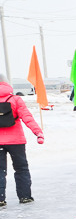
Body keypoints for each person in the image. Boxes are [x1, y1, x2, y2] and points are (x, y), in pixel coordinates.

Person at [0, 73, 45, 206]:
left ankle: (0, 199)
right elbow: (27, 117)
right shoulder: (15, 99)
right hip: (16, 142)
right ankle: (25, 196)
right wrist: (38, 133)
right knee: (21, 169)